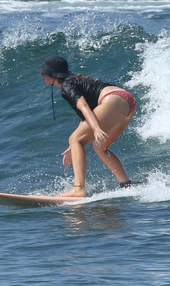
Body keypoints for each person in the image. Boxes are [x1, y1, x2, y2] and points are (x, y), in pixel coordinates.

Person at [37, 55, 136, 197]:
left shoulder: (66, 86)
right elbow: (86, 117)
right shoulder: (74, 81)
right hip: (126, 101)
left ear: (54, 75)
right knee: (99, 147)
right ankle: (126, 184)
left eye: (44, 73)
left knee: (75, 138)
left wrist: (95, 130)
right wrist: (73, 146)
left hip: (112, 99)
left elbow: (83, 106)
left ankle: (78, 189)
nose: (42, 75)